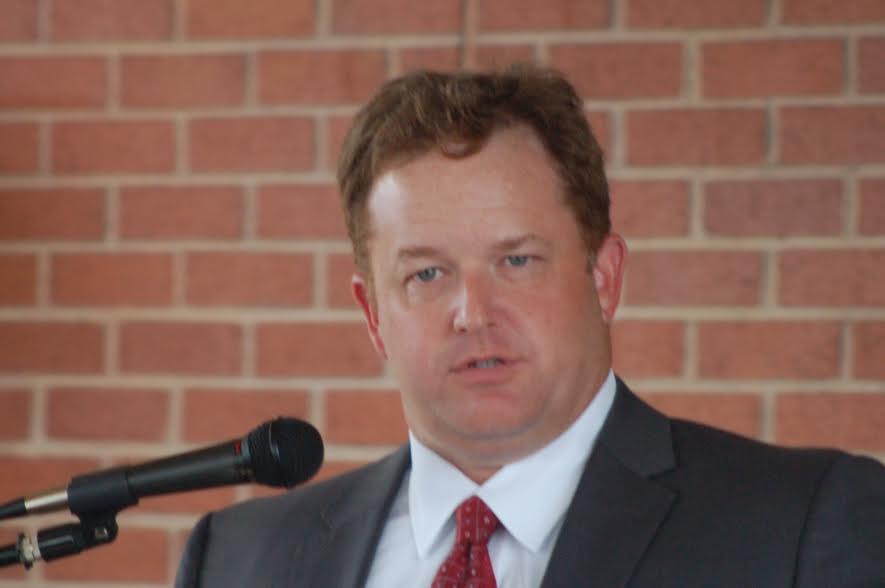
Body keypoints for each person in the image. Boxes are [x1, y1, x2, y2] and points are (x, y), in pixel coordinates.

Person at [175, 65, 885, 587]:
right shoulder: (237, 561)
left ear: (603, 278)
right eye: (427, 274)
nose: (472, 312)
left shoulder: (800, 526)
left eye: (516, 261)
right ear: (372, 314)